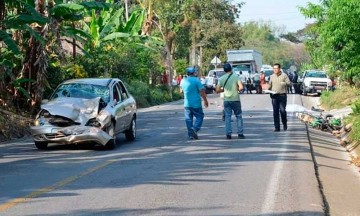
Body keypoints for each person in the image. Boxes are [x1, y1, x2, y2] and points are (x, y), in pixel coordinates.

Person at [216, 63, 245, 139]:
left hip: (226, 100)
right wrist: (236, 89)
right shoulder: (236, 77)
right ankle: (240, 133)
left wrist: (223, 89)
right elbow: (241, 87)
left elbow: (217, 90)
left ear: (224, 70)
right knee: (238, 116)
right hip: (235, 99)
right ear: (231, 69)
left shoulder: (221, 78)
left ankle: (228, 134)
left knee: (228, 117)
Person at [180, 67, 209, 139]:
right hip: (196, 104)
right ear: (194, 73)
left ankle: (190, 135)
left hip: (187, 104)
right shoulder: (197, 80)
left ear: (187, 73)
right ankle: (195, 129)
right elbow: (202, 91)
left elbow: (181, 91)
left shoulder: (183, 81)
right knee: (200, 117)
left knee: (188, 119)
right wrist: (205, 100)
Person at [268, 63, 292, 132]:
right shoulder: (271, 76)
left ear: (279, 69)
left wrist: (285, 83)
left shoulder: (284, 75)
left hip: (282, 96)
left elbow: (289, 83)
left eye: (276, 68)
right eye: (274, 68)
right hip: (274, 96)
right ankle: (277, 127)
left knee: (282, 111)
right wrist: (266, 89)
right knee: (275, 111)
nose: (275, 70)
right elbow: (270, 85)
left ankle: (284, 123)